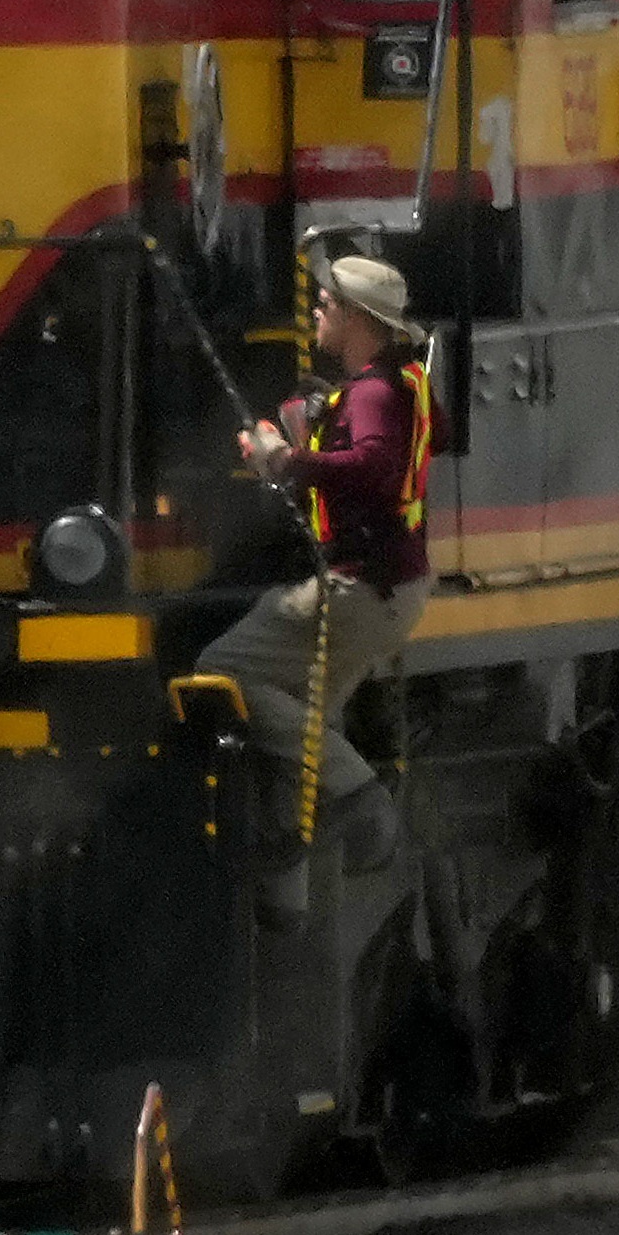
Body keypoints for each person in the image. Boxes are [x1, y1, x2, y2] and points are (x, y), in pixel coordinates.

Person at [205, 249, 432, 897]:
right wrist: (305, 432)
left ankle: (358, 796)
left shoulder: (373, 392)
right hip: (391, 583)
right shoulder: (397, 383)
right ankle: (289, 862)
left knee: (228, 668)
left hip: (361, 584)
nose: (316, 311)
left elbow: (373, 467)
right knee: (303, 709)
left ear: (358, 317)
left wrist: (291, 458)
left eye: (327, 304)